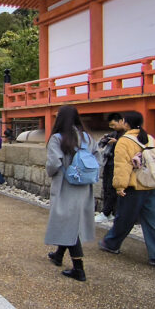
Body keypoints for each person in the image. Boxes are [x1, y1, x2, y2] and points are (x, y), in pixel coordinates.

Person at [97, 110, 155, 269]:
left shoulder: (124, 141)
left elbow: (122, 167)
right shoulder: (150, 139)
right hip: (150, 186)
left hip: (133, 187)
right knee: (153, 220)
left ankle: (111, 243)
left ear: (125, 122)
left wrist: (119, 186)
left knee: (124, 218)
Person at [44, 105, 98, 282]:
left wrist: (50, 173)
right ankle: (58, 255)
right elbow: (98, 159)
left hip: (65, 185)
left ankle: (79, 268)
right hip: (84, 187)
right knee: (70, 221)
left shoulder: (57, 138)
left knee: (69, 223)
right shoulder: (87, 138)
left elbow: (54, 163)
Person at [95, 113, 127, 223]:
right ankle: (108, 212)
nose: (113, 128)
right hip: (108, 163)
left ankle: (107, 212)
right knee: (106, 188)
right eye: (111, 126)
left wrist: (117, 142)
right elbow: (101, 145)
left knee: (112, 188)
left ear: (121, 121)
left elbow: (129, 148)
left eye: (114, 125)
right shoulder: (114, 133)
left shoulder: (126, 134)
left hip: (118, 165)